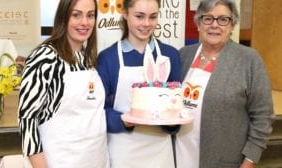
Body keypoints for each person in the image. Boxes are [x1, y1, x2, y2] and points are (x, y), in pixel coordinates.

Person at [175, 0, 275, 168]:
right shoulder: (183, 55)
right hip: (179, 154)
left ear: (232, 25)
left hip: (222, 160)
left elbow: (263, 116)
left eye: (223, 19)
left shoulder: (249, 60)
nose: (215, 25)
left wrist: (249, 161)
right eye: (208, 19)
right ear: (199, 23)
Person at [18, 0, 109, 167]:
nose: (85, 22)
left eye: (90, 15)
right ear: (63, 17)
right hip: (59, 161)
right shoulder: (44, 57)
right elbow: (27, 120)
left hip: (95, 160)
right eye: (76, 15)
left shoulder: (86, 57)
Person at [96, 0, 182, 167]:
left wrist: (172, 123)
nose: (146, 24)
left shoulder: (169, 56)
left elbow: (176, 105)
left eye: (153, 17)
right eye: (139, 16)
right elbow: (98, 111)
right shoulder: (108, 58)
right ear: (125, 14)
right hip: (122, 151)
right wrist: (122, 120)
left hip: (160, 152)